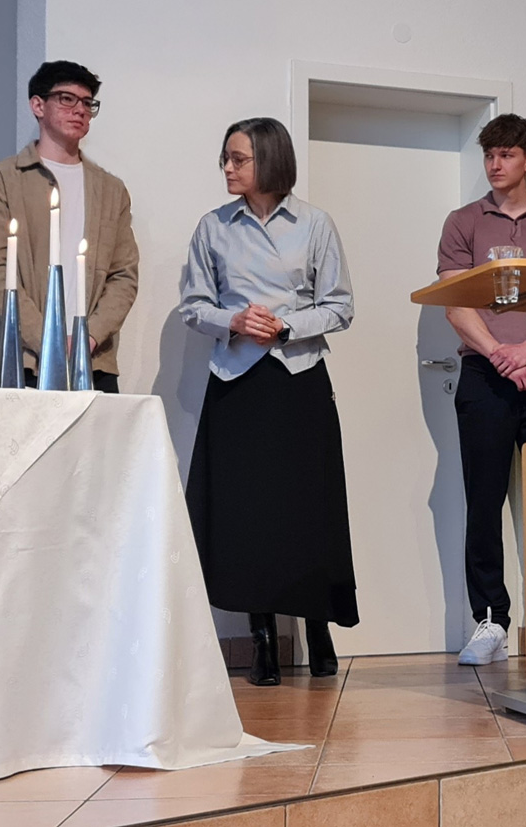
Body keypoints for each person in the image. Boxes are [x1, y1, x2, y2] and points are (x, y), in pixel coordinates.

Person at [179, 117, 358, 686]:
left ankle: (319, 629)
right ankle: (262, 641)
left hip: (298, 379)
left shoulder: (315, 223)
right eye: (226, 159)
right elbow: (193, 305)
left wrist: (284, 327)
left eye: (239, 159)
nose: (228, 168)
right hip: (237, 383)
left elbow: (340, 306)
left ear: (270, 161)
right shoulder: (212, 226)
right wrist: (233, 320)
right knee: (246, 514)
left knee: (308, 508)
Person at [436, 113, 526, 666]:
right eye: (489, 155)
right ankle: (491, 620)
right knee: (484, 499)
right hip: (484, 375)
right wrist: (501, 353)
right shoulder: (463, 222)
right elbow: (455, 303)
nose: (495, 165)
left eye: (506, 155)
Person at [0, 61, 139, 391]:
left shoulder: (111, 190)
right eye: (67, 99)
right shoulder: (3, 179)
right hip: (24, 357)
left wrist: (89, 335)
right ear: (38, 105)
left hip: (93, 359)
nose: (80, 110)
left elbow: (124, 275)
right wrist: (47, 338)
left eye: (87, 103)